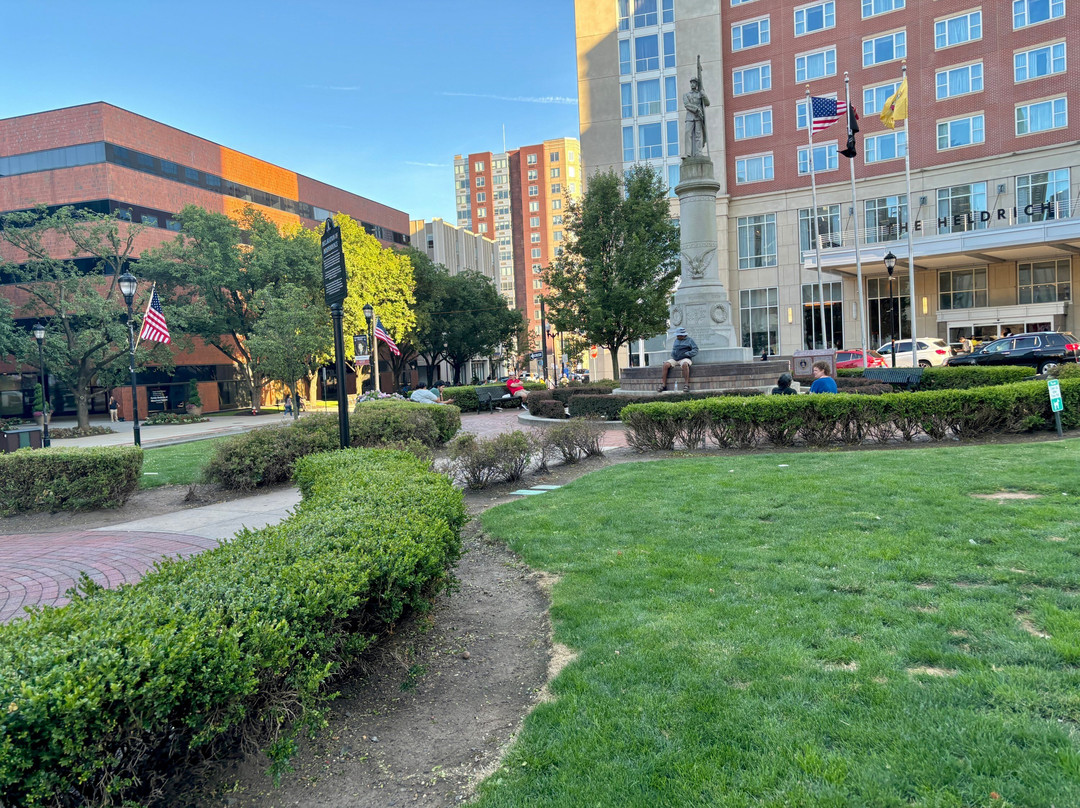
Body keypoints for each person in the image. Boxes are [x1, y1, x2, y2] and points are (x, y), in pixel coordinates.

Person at [658, 327, 698, 392]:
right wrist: (673, 354)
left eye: (678, 335)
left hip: (685, 358)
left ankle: (686, 385)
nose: (677, 336)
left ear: (683, 335)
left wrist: (687, 353)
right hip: (676, 358)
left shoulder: (690, 340)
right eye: (677, 335)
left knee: (685, 364)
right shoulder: (676, 340)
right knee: (665, 364)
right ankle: (663, 385)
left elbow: (695, 350)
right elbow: (674, 349)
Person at [683, 74, 709, 157]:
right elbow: (687, 105)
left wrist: (704, 95)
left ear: (697, 84)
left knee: (698, 135)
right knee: (688, 134)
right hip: (690, 116)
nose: (692, 84)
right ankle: (687, 153)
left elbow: (707, 103)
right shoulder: (686, 95)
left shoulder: (700, 94)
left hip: (698, 117)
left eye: (694, 82)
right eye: (691, 82)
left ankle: (699, 153)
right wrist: (696, 109)